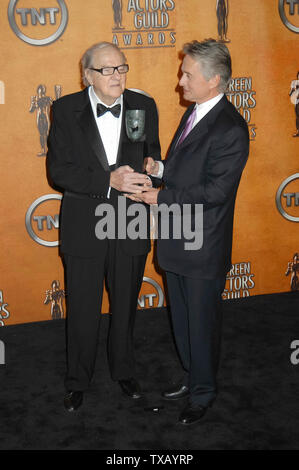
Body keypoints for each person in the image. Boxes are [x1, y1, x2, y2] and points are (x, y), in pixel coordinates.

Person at [129, 39, 249, 425]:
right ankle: (192, 376)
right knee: (181, 320)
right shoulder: (197, 111)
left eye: (188, 75)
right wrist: (161, 169)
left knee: (201, 323)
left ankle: (203, 392)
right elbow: (190, 169)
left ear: (215, 80)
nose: (180, 81)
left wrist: (160, 198)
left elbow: (216, 191)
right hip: (177, 239)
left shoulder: (230, 127)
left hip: (203, 246)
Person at [47, 41, 161, 411]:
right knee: (82, 306)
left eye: (122, 68)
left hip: (129, 221)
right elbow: (58, 170)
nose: (117, 76)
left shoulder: (145, 106)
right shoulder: (65, 110)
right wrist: (107, 181)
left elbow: (152, 158)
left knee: (126, 303)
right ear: (87, 76)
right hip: (85, 222)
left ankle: (124, 370)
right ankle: (78, 379)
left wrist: (150, 174)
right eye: (107, 70)